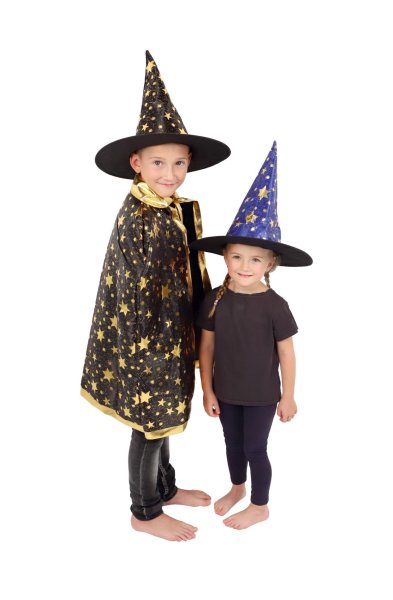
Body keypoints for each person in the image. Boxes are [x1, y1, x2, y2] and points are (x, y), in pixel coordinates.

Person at [80, 51, 230, 541]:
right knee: (149, 427)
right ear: (137, 163)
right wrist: (154, 349)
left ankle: (164, 488)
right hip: (147, 344)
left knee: (163, 421)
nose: (170, 173)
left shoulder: (165, 207)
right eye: (158, 163)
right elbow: (137, 290)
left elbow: (180, 273)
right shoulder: (142, 217)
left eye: (179, 163)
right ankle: (144, 511)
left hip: (168, 337)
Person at [191, 141, 312, 530]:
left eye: (255, 259)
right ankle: (237, 488)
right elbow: (206, 348)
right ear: (225, 256)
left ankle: (260, 505)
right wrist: (208, 390)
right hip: (226, 392)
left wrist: (288, 395)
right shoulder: (215, 299)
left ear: (270, 263)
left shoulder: (275, 305)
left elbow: (287, 354)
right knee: (232, 444)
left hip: (262, 395)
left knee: (255, 448)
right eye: (237, 256)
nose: (245, 266)